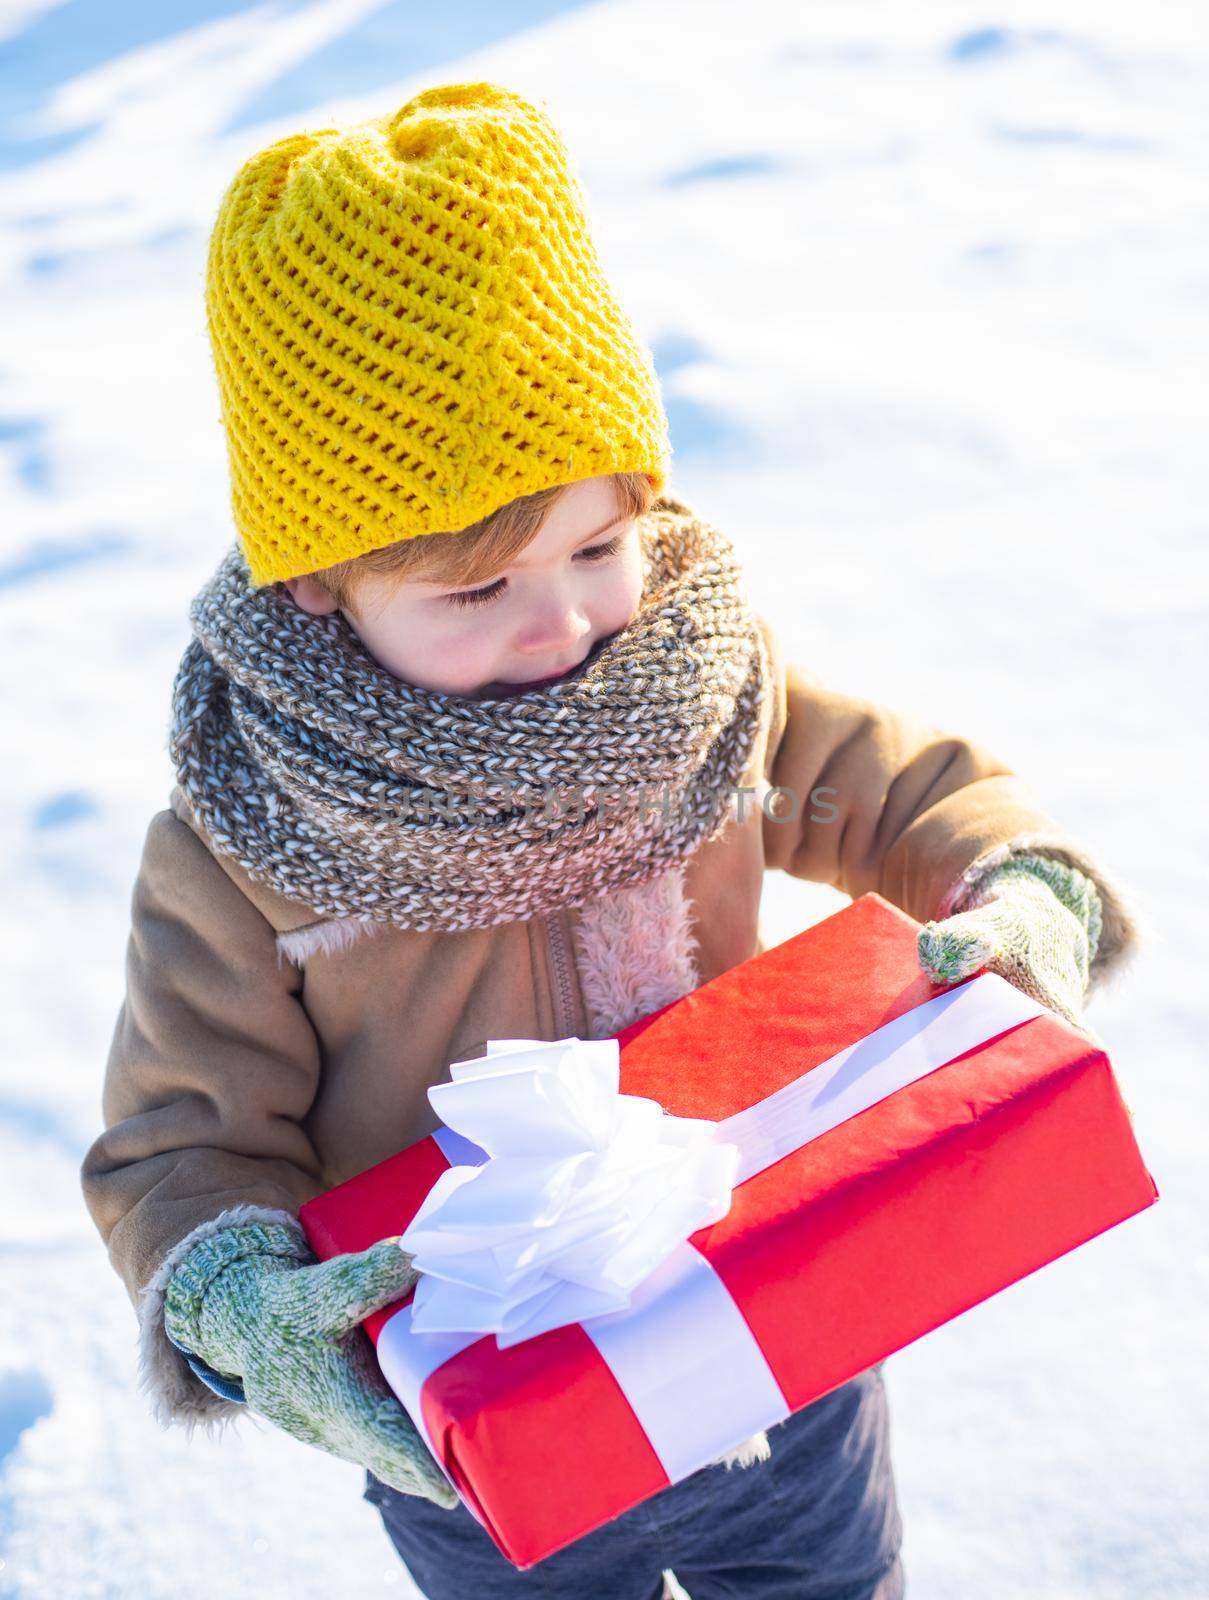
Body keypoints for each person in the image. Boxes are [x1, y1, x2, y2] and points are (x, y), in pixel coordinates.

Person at [80, 81, 1144, 1599]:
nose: (564, 623)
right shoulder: (254, 844)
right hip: (479, 1409)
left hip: (777, 1335)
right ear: (320, 583)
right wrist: (239, 1298)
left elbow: (898, 792)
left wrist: (1019, 886)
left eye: (598, 546)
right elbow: (183, 1137)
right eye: (474, 593)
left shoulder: (692, 689)